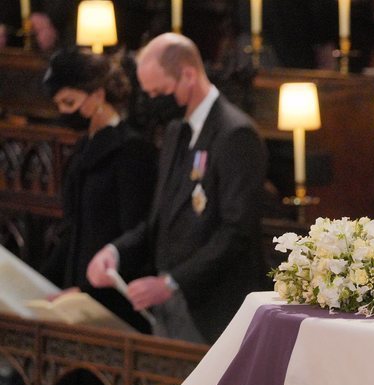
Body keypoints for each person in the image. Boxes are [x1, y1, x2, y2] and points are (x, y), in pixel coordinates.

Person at [86, 33, 269, 344]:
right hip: (171, 306)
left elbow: (236, 232)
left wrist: (172, 283)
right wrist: (115, 251)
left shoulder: (235, 134)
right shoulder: (174, 133)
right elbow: (160, 220)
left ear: (188, 75)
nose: (155, 101)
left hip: (215, 308)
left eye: (160, 91)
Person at [40, 49, 157, 332]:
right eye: (58, 104)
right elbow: (73, 228)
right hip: (76, 296)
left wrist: (87, 291)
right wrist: (42, 283)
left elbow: (136, 234)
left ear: (98, 95)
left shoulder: (132, 150)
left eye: (70, 102)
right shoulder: (83, 148)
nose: (63, 113)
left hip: (111, 300)